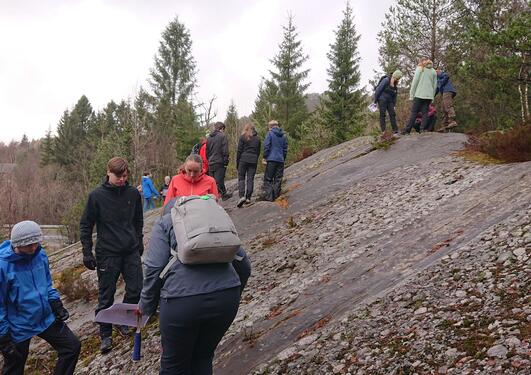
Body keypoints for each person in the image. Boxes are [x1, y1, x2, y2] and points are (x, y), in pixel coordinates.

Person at [138, 213, 251, 374]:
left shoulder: (165, 221)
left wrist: (146, 307)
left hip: (181, 301)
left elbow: (154, 267)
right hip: (226, 297)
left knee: (174, 366)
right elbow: (244, 264)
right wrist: (233, 294)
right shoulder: (213, 216)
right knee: (203, 357)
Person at [80, 157, 144, 354]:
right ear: (108, 172)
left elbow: (138, 220)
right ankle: (105, 334)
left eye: (125, 176)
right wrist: (86, 251)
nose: (122, 179)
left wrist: (139, 240)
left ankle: (123, 320)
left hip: (130, 249)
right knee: (105, 295)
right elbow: (86, 224)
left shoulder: (133, 194)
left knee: (136, 288)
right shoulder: (96, 196)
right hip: (107, 253)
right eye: (119, 176)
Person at [0, 221, 81, 375]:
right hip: (19, 327)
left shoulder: (40, 255)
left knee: (72, 347)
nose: (33, 248)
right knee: (14, 368)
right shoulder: (3, 266)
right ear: (17, 244)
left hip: (45, 318)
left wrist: (55, 303)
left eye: (35, 243)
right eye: (28, 245)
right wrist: (3, 337)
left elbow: (47, 284)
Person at [402, 58, 437, 134]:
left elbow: (415, 82)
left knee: (414, 112)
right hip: (428, 96)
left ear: (421, 62)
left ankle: (407, 130)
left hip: (419, 95)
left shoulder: (420, 69)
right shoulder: (433, 71)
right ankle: (422, 129)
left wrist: (411, 95)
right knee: (425, 113)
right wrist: (432, 97)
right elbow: (435, 86)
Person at [262, 120, 288, 202]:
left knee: (268, 179)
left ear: (270, 126)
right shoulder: (283, 135)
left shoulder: (269, 134)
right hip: (280, 160)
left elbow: (267, 146)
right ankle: (276, 197)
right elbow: (285, 149)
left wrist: (264, 157)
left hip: (271, 159)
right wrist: (283, 158)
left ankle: (269, 198)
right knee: (278, 179)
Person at [236, 123, 261, 208]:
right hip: (253, 160)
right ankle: (248, 198)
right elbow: (258, 151)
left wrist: (237, 163)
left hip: (243, 159)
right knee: (250, 179)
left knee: (241, 178)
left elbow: (239, 151)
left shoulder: (243, 137)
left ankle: (242, 196)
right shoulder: (257, 139)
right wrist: (255, 159)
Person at [206, 122, 232, 201]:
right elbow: (225, 150)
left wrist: (209, 159)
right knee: (219, 180)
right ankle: (223, 195)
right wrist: (225, 161)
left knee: (212, 181)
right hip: (219, 161)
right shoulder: (222, 136)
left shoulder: (209, 138)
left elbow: (207, 151)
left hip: (211, 162)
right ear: (222, 129)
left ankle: (221, 194)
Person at [374, 69, 403, 135]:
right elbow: (378, 90)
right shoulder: (386, 80)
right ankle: (383, 131)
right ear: (394, 76)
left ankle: (395, 131)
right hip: (382, 99)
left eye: (398, 79)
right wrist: (375, 101)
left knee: (392, 114)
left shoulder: (395, 84)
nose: (397, 80)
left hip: (390, 101)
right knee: (382, 114)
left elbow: (395, 95)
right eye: (397, 78)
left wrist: (394, 105)